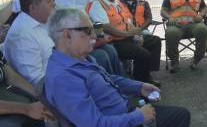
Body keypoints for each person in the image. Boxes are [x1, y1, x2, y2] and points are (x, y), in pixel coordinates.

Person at [45, 8, 190, 127]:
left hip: (125, 111)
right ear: (67, 35)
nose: (94, 35)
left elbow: (107, 78)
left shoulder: (78, 57)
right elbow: (94, 124)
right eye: (87, 30)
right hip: (122, 120)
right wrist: (138, 117)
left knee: (179, 114)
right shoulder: (63, 77)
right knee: (180, 116)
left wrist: (139, 86)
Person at [87, 0, 161, 85]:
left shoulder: (117, 3)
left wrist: (137, 33)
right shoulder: (97, 5)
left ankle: (146, 72)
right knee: (143, 54)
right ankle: (142, 81)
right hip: (114, 41)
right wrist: (127, 34)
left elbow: (128, 21)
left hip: (127, 36)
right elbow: (105, 27)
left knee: (155, 41)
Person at [55, 0, 123, 75]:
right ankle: (109, 81)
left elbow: (96, 9)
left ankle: (120, 78)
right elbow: (58, 19)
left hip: (89, 32)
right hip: (73, 36)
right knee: (102, 56)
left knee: (111, 50)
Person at [4, 0, 55, 89]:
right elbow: (36, 80)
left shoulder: (42, 20)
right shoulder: (22, 35)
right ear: (33, 7)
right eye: (49, 1)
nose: (54, 4)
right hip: (51, 90)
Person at [160, 0, 207, 73]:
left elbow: (204, 9)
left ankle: (196, 60)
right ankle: (174, 62)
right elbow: (162, 11)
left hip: (194, 24)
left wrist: (201, 15)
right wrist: (169, 17)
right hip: (176, 25)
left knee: (203, 30)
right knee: (171, 33)